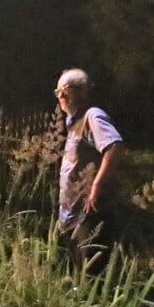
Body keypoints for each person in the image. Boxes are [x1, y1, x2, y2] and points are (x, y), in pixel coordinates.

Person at [54, 67, 126, 272]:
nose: (60, 97)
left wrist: (97, 185)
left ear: (82, 91)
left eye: (64, 91)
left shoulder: (92, 116)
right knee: (71, 275)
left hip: (88, 215)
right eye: (58, 92)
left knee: (90, 276)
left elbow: (114, 146)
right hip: (70, 216)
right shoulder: (73, 123)